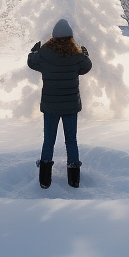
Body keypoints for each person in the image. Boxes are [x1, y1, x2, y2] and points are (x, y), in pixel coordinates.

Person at [27, 17, 92, 189]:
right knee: (71, 140)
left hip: (50, 106)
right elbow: (86, 67)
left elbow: (31, 63)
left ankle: (44, 179)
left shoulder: (45, 54)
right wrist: (85, 54)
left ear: (53, 36)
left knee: (48, 140)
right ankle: (74, 179)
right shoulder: (76, 55)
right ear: (70, 37)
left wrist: (33, 52)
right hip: (70, 106)